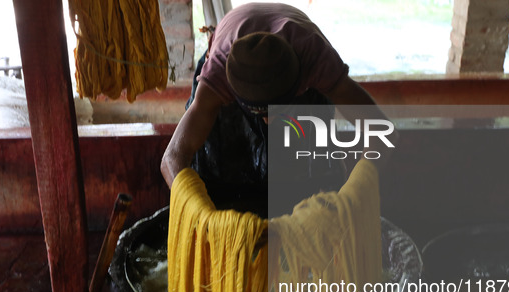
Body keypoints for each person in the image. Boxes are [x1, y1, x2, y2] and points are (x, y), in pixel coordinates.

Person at [161, 2, 396, 209]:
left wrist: (353, 194)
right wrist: (198, 211)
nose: (267, 121)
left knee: (307, 168)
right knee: (217, 163)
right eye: (260, 114)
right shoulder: (218, 75)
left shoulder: (317, 62)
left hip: (298, 52)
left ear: (300, 85)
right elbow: (172, 158)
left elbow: (381, 130)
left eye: (277, 111)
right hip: (232, 48)